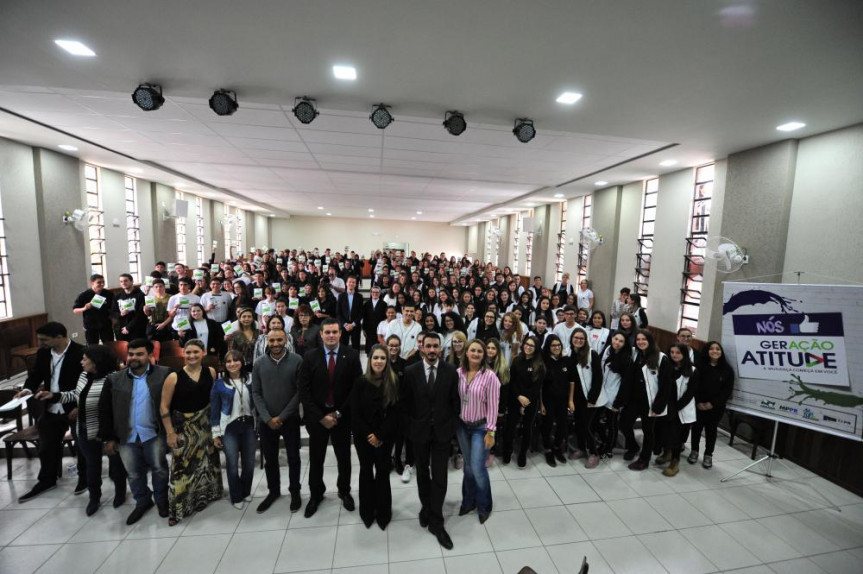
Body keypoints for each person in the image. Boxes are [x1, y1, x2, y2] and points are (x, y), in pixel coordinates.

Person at [37, 344, 126, 515]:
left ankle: (120, 493)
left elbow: (117, 407)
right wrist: (55, 396)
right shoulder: (84, 376)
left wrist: (111, 436)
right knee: (92, 465)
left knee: (116, 464)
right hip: (84, 428)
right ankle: (94, 497)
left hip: (108, 431)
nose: (81, 362)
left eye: (85, 359)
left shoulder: (115, 378)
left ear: (96, 362)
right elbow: (76, 395)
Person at [100, 339, 172, 525]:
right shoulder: (114, 379)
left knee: (160, 469)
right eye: (131, 354)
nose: (133, 357)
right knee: (133, 472)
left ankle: (162, 501)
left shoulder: (164, 374)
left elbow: (172, 404)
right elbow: (105, 410)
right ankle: (142, 501)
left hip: (153, 433)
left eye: (139, 354)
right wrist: (108, 437)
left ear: (150, 355)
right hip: (126, 435)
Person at [401, 332, 461, 550]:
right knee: (423, 475)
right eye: (429, 346)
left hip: (442, 433)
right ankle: (426, 507)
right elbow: (405, 404)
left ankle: (437, 521)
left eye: (436, 346)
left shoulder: (451, 371)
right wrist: (410, 428)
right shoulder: (410, 372)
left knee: (440, 476)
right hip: (419, 433)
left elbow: (456, 402)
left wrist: (452, 426)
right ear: (422, 348)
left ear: (441, 348)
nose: (432, 349)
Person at [15, 322, 87, 503]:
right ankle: (47, 480)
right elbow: (36, 375)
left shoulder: (81, 352)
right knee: (47, 446)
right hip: (51, 407)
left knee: (82, 446)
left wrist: (80, 406)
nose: (41, 343)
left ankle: (85, 478)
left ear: (59, 337)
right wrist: (28, 389)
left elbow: (87, 382)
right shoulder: (43, 353)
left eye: (44, 340)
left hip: (73, 407)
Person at [298, 318, 363, 517]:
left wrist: (337, 413)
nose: (331, 335)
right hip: (317, 419)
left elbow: (356, 388)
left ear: (341, 333)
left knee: (344, 458)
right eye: (328, 332)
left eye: (335, 332)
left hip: (342, 418)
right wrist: (321, 417)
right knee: (316, 459)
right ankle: (316, 494)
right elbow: (304, 391)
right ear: (321, 334)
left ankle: (344, 491)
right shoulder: (310, 357)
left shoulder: (351, 355)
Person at [160, 339, 224, 525]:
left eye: (196, 352)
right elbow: (164, 407)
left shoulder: (210, 372)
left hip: (205, 425)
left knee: (205, 463)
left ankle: (203, 497)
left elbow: (213, 399)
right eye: (188, 352)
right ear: (183, 354)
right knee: (182, 468)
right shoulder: (174, 377)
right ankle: (178, 508)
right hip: (184, 427)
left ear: (203, 352)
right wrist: (170, 433)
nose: (192, 356)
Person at [252, 329, 304, 513]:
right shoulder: (258, 363)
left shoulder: (297, 360)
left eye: (279, 340)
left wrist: (281, 417)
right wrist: (267, 418)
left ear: (286, 340)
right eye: (272, 340)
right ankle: (273, 491)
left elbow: (300, 392)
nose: (275, 344)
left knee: (293, 458)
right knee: (270, 459)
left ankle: (295, 491)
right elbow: (256, 393)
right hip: (267, 422)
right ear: (267, 341)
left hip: (289, 419)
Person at [351, 344, 400, 529]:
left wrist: (380, 435)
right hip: (364, 438)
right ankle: (366, 511)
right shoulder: (360, 382)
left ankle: (383, 512)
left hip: (385, 438)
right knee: (365, 472)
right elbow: (355, 413)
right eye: (375, 358)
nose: (378, 361)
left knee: (382, 473)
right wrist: (369, 435)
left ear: (387, 361)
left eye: (382, 358)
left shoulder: (393, 382)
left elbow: (396, 413)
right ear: (369, 360)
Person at [456, 339, 500, 524]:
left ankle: (484, 505)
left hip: (481, 428)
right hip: (462, 426)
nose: (475, 354)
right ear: (466, 352)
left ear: (484, 355)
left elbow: (493, 406)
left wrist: (491, 432)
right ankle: (468, 502)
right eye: (472, 350)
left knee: (478, 468)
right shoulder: (458, 373)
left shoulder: (490, 377)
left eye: (479, 352)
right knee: (467, 466)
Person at [620, 330, 673, 470]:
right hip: (633, 400)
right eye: (638, 339)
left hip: (650, 403)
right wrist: (621, 399)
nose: (640, 342)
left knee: (648, 431)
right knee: (624, 424)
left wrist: (658, 406)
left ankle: (644, 459)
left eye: (644, 339)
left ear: (650, 341)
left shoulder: (662, 358)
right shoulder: (636, 355)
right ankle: (633, 446)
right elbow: (628, 379)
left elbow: (666, 386)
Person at [211, 350, 257, 509]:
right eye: (228, 361)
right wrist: (216, 434)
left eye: (236, 360)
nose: (232, 364)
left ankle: (245, 491)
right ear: (225, 364)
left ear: (242, 362)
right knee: (232, 464)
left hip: (249, 424)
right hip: (229, 427)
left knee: (249, 463)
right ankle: (236, 496)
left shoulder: (251, 379)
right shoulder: (219, 383)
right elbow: (214, 410)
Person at [688, 341, 735, 469]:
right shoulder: (698, 366)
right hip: (698, 405)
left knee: (711, 430)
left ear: (721, 352)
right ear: (707, 351)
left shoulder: (727, 370)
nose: (715, 351)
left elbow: (727, 391)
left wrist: (712, 404)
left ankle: (708, 454)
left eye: (718, 349)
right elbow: (693, 386)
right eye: (712, 349)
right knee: (696, 429)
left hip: (716, 408)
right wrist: (698, 402)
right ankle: (694, 451)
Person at [502, 335, 545, 467]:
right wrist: (519, 397)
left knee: (527, 428)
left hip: (531, 401)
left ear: (536, 348)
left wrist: (525, 403)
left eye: (531, 345)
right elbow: (512, 381)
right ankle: (507, 451)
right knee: (510, 427)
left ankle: (522, 454)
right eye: (526, 344)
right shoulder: (517, 360)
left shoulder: (540, 365)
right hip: (516, 398)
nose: (528, 347)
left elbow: (536, 387)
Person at [658, 344, 698, 477]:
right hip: (666, 406)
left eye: (678, 353)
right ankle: (666, 453)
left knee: (676, 436)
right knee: (664, 432)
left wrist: (676, 407)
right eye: (672, 352)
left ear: (685, 354)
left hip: (681, 408)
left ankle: (675, 462)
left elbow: (690, 393)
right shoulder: (667, 366)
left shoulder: (692, 370)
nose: (674, 355)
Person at [567, 328, 604, 468]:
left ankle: (594, 453)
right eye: (576, 337)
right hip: (576, 398)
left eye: (582, 338)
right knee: (578, 423)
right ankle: (582, 449)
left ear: (586, 340)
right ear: (572, 339)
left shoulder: (591, 354)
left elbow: (598, 378)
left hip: (590, 398)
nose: (578, 340)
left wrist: (592, 398)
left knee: (586, 426)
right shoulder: (570, 353)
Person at [593, 332, 631, 458]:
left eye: (621, 341)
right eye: (616, 339)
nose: (617, 343)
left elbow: (626, 384)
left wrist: (618, 402)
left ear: (625, 344)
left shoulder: (626, 358)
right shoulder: (608, 350)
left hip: (614, 396)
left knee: (612, 424)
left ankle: (609, 448)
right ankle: (604, 441)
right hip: (602, 393)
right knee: (594, 420)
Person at [540, 334, 569, 467]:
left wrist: (570, 400)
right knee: (547, 425)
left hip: (563, 399)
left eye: (558, 345)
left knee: (562, 425)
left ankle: (557, 447)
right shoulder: (543, 361)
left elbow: (571, 381)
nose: (556, 347)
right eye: (553, 345)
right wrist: (541, 403)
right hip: (547, 400)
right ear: (548, 347)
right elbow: (539, 385)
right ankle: (548, 450)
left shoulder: (565, 360)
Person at [73, 274, 115, 344]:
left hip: (106, 325)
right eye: (99, 282)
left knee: (110, 346)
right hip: (90, 326)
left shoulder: (109, 294)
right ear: (92, 283)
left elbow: (113, 308)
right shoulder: (84, 295)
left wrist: (114, 319)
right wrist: (84, 308)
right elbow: (75, 310)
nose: (102, 284)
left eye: (103, 282)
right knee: (92, 347)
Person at [114, 273, 147, 341]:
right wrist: (120, 314)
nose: (123, 283)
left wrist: (129, 327)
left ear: (132, 281)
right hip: (121, 328)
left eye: (126, 281)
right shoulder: (117, 296)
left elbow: (140, 314)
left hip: (137, 328)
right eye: (121, 281)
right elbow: (113, 311)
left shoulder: (141, 295)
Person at [337, 275, 364, 349]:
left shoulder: (359, 297)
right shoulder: (341, 296)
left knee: (356, 348)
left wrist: (353, 324)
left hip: (355, 326)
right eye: (350, 282)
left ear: (355, 284)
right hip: (343, 326)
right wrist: (345, 324)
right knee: (342, 347)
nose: (351, 284)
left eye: (353, 282)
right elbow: (338, 313)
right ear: (346, 283)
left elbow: (361, 313)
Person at [363, 285, 388, 354]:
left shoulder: (384, 304)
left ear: (380, 293)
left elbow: (385, 318)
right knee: (370, 351)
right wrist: (364, 329)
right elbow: (364, 317)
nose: (375, 294)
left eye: (377, 292)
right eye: (373, 292)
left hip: (380, 330)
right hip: (369, 330)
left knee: (379, 350)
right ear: (371, 293)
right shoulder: (366, 304)